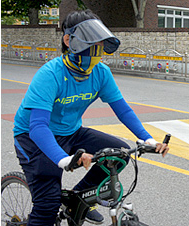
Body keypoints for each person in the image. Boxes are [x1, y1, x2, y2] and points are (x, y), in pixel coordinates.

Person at [13, 9, 169, 226]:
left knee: (118, 155)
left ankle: (77, 200)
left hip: (71, 132)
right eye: (89, 44)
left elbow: (122, 110)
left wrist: (147, 139)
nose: (96, 51)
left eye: (98, 45)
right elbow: (38, 126)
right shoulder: (50, 74)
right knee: (47, 206)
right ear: (68, 40)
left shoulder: (100, 72)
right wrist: (64, 159)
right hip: (32, 137)